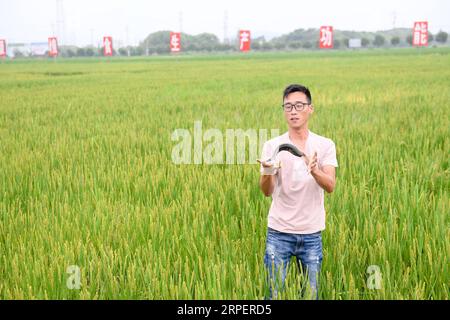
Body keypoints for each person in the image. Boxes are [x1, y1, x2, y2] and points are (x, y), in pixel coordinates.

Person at [258, 84, 338, 299]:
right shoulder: (273, 146)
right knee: (272, 295)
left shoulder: (324, 145)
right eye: (288, 106)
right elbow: (267, 191)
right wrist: (267, 172)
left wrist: (314, 170)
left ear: (310, 109)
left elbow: (330, 185)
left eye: (299, 105)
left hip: (312, 233)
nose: (293, 111)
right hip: (278, 232)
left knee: (311, 295)